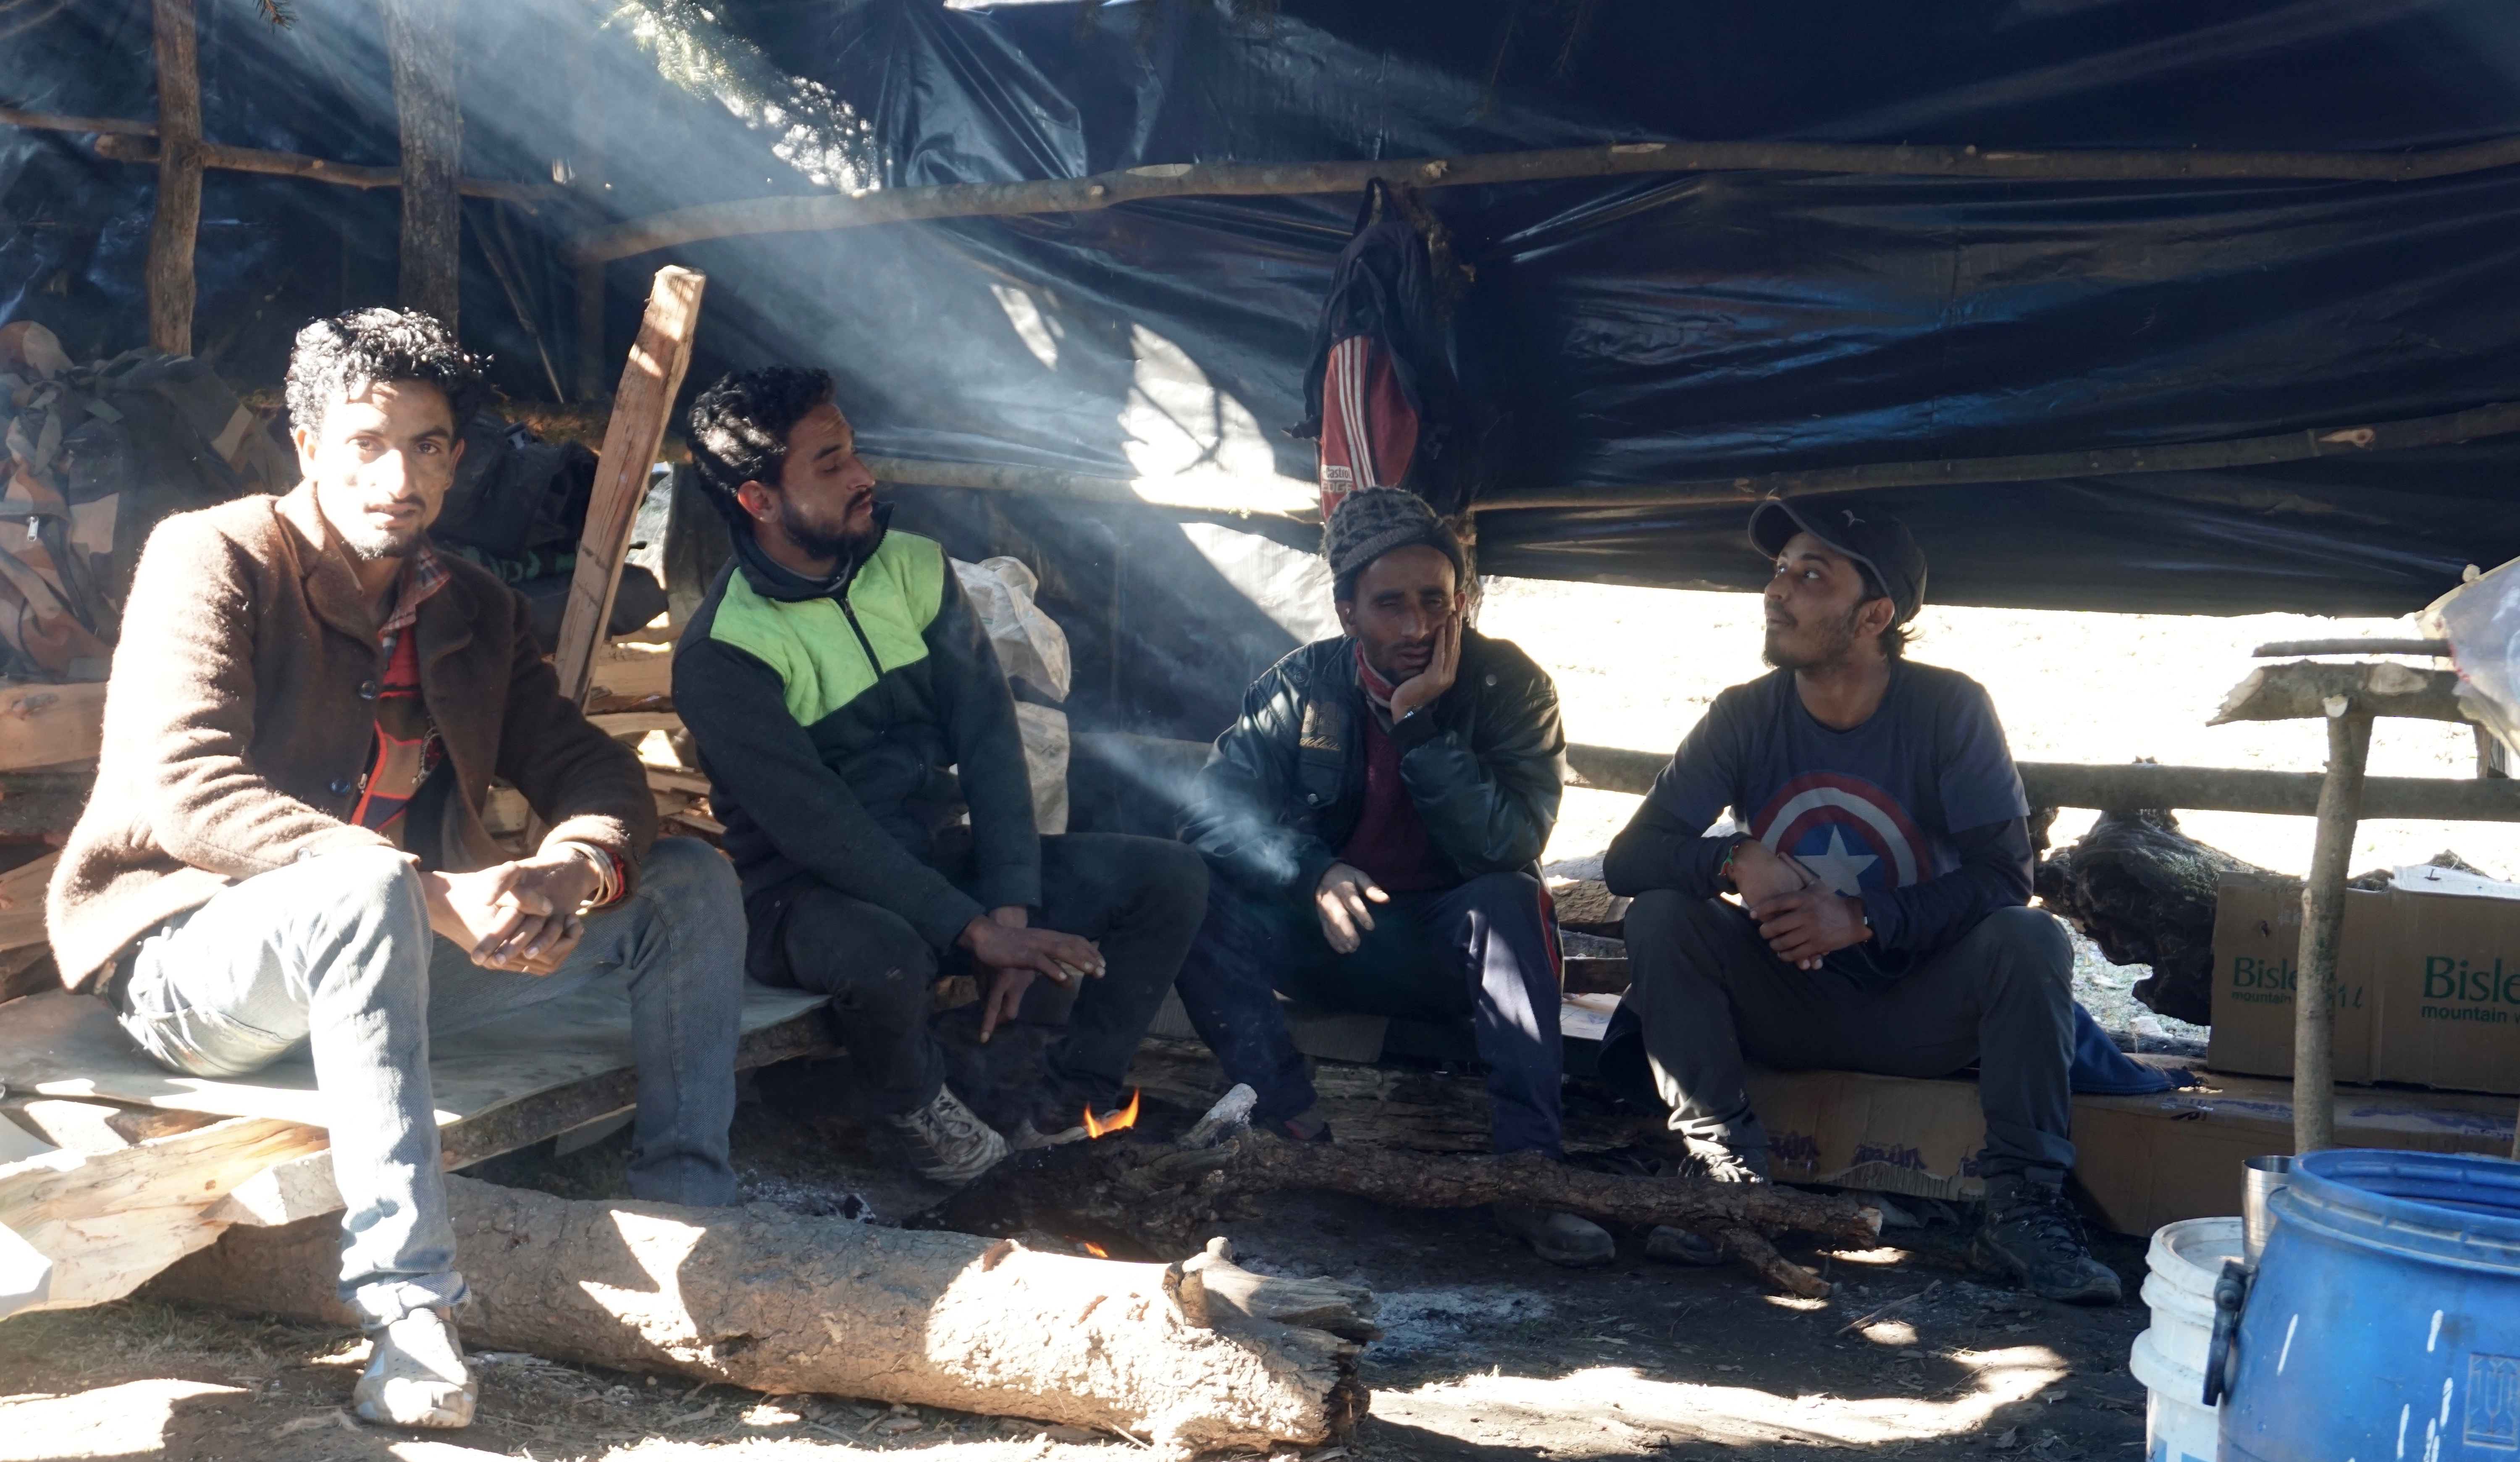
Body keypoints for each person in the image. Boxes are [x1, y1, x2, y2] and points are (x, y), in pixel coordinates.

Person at [48, 309, 747, 1430]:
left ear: (457, 462)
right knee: (369, 890)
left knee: (689, 883)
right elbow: (188, 789)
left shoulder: (470, 608)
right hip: (193, 967)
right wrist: (434, 895)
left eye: (428, 447)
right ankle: (409, 1310)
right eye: (368, 444)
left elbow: (589, 768)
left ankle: (692, 1215)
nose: (398, 477)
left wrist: (568, 873)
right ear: (309, 442)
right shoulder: (215, 556)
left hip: (387, 958)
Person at [671, 367, 1207, 1173]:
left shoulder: (915, 569)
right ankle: (913, 1114)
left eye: (853, 451)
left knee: (1168, 878)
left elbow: (990, 738)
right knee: (887, 951)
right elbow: (826, 832)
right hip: (800, 896)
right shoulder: (723, 651)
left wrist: (1011, 908)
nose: (864, 477)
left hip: (929, 855)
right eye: (830, 464)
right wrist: (971, 929)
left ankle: (1072, 1098)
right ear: (759, 501)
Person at [1603, 496, 2118, 1304]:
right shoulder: (1746, 715)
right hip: (1787, 996)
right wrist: (1737, 859)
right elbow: (1631, 858)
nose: (1779, 592)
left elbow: (2003, 876)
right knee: (1663, 914)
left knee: (2031, 939)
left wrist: (1866, 918)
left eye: (1812, 576)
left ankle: (2023, 1211)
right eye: (1779, 571)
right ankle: (1727, 1178)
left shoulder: (1948, 709)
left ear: (1874, 613)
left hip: (1917, 1010)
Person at [1174, 486, 1611, 1267]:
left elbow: (1507, 843)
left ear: (1463, 598)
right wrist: (1312, 872)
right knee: (1191, 888)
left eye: (1436, 602)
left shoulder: (1508, 686)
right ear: (1347, 615)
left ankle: (1532, 1176)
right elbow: (1213, 817)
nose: (1418, 627)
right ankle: (1293, 1128)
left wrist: (1420, 727)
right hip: (1327, 940)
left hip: (1443, 951)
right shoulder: (1299, 686)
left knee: (1510, 898)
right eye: (1390, 606)